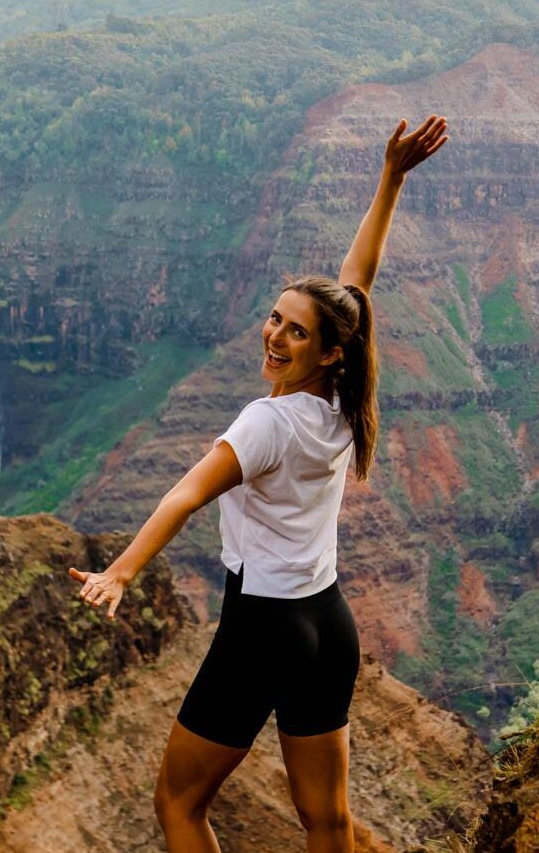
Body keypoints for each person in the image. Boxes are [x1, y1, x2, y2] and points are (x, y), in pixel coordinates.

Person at [69, 114, 450, 852]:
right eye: (275, 319)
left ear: (329, 351)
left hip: (263, 628)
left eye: (295, 331)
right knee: (327, 818)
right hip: (327, 624)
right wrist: (391, 180)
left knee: (179, 802)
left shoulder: (265, 423)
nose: (275, 335)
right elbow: (357, 281)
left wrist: (121, 572)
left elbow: (184, 494)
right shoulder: (346, 401)